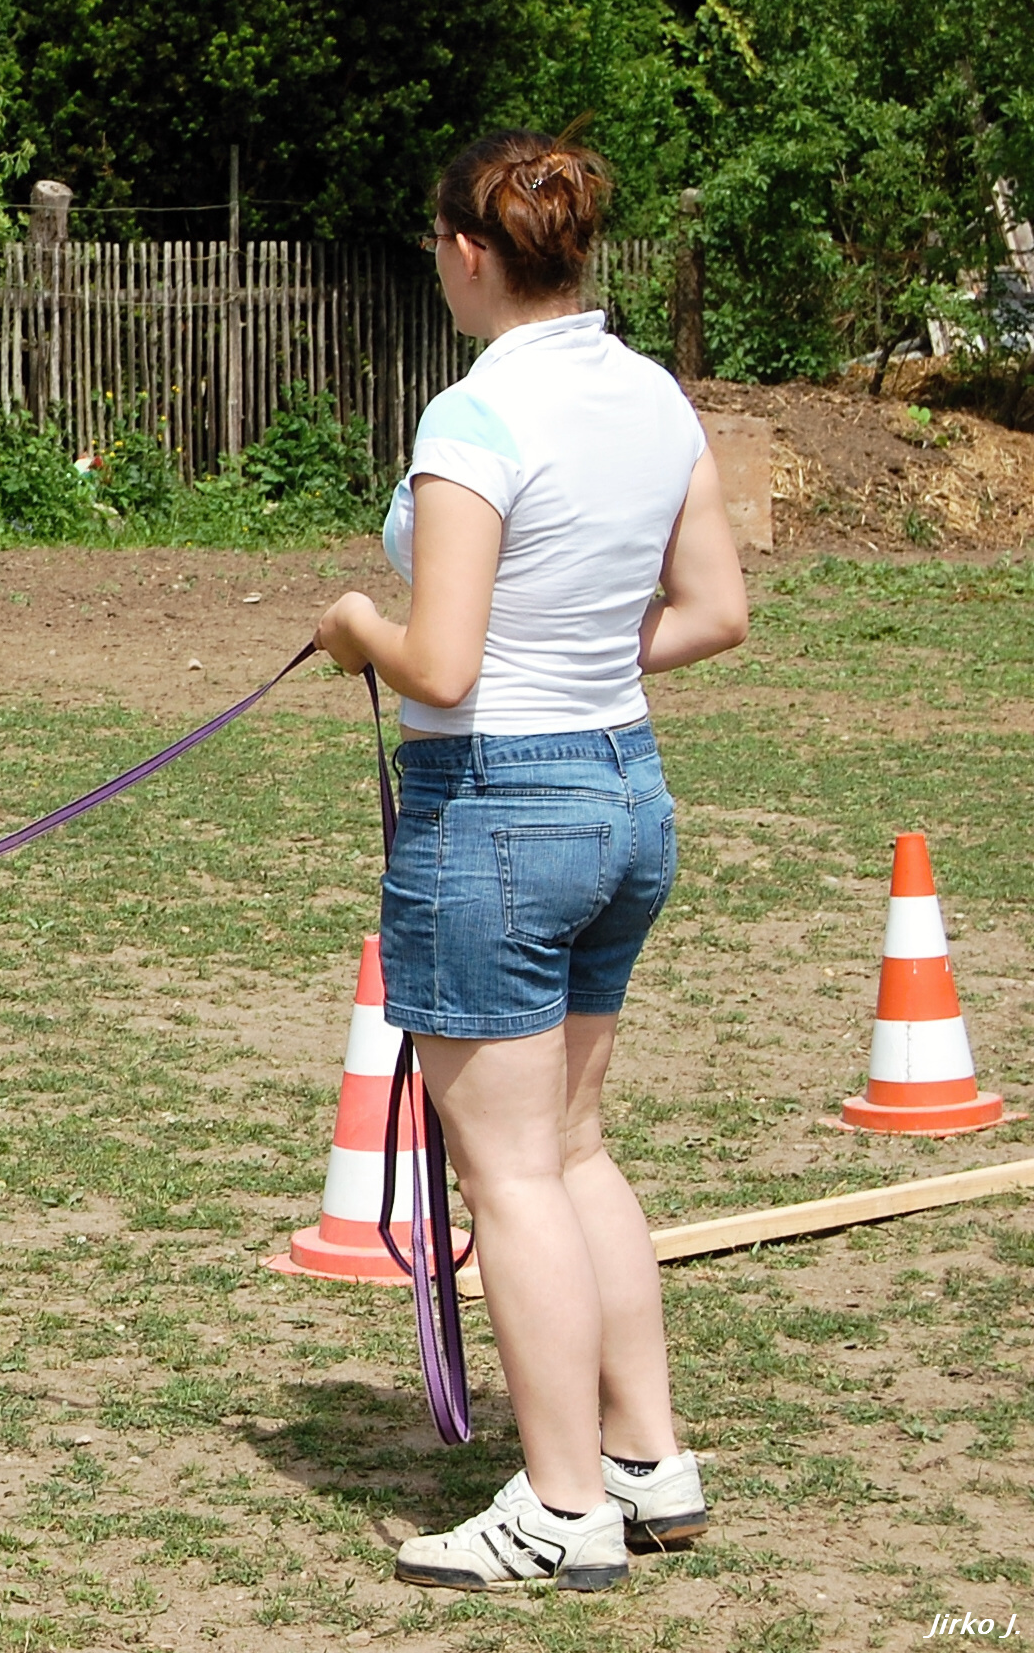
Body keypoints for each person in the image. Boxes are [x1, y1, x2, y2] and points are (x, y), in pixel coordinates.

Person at [314, 130, 749, 1594]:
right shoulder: (652, 396)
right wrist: (570, 663)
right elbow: (715, 608)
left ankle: (562, 1508)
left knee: (509, 1173)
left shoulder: (472, 418)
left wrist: (350, 629)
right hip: (627, 793)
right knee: (572, 1148)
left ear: (468, 250)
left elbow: (436, 660)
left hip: (497, 810)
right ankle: (646, 1458)